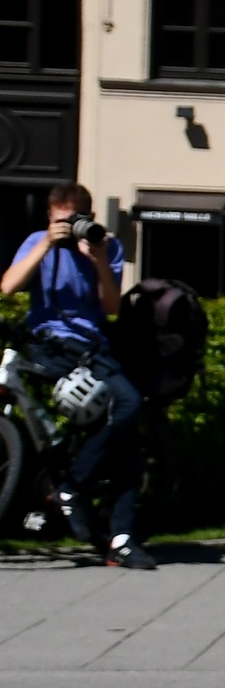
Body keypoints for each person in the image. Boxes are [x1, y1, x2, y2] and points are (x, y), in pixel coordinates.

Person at [0, 182, 150, 567]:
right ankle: (74, 493)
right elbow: (9, 287)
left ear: (90, 218)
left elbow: (112, 307)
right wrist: (47, 244)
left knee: (130, 409)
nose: (69, 227)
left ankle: (81, 495)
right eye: (61, 221)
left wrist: (98, 259)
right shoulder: (38, 241)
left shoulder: (106, 245)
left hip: (90, 349)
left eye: (76, 220)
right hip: (47, 347)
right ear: (50, 218)